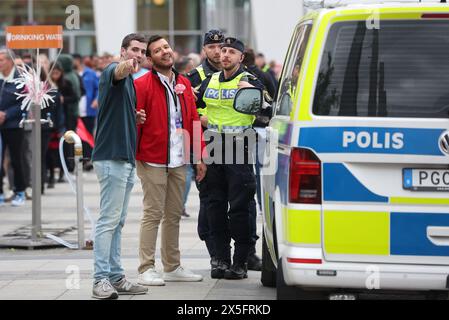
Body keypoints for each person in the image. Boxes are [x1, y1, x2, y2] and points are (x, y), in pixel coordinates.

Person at [134, 35, 206, 287]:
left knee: (173, 214)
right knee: (153, 213)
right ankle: (145, 268)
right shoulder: (142, 84)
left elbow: (193, 120)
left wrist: (199, 156)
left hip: (179, 158)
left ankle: (172, 266)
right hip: (152, 158)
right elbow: (134, 120)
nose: (165, 51)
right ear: (150, 58)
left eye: (166, 47)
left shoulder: (184, 83)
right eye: (157, 50)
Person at [196, 37, 264, 280]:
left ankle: (241, 260)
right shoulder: (209, 81)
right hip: (213, 147)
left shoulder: (249, 81)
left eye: (231, 52)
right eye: (223, 51)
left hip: (239, 147)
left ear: (240, 58)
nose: (225, 55)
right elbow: (195, 111)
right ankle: (221, 259)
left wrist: (253, 97)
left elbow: (266, 110)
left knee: (239, 207)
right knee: (214, 206)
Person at [90, 33, 149, 299]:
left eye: (142, 51)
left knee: (118, 222)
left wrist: (133, 115)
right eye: (134, 50)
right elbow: (119, 69)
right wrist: (127, 65)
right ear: (123, 50)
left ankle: (115, 277)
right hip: (111, 157)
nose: (138, 54)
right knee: (107, 221)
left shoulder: (130, 84)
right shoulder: (114, 70)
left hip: (124, 158)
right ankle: (100, 279)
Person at [186, 29, 225, 269]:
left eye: (221, 46)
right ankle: (216, 254)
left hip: (235, 145)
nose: (217, 51)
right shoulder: (194, 77)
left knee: (243, 201)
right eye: (212, 47)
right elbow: (189, 116)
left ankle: (246, 253)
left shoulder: (239, 74)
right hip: (207, 145)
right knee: (211, 200)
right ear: (204, 50)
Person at [0, 49, 26, 206]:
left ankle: (20, 191)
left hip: (14, 125)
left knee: (17, 159)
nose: (0, 63)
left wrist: (6, 114)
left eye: (2, 60)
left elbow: (23, 102)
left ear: (10, 61)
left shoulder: (19, 79)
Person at [73, 53, 99, 171]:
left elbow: (99, 88)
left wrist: (96, 99)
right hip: (76, 110)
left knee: (88, 134)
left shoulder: (90, 73)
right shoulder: (72, 74)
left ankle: (88, 159)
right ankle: (78, 159)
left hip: (88, 110)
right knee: (76, 135)